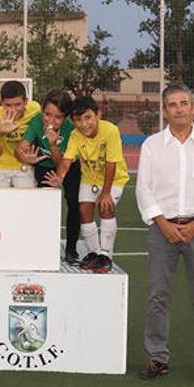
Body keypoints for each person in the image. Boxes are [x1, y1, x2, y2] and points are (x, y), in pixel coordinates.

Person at [134, 83, 194, 384]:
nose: (179, 109)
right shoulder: (151, 146)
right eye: (173, 104)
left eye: (184, 103)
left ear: (193, 107)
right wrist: (163, 224)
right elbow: (144, 189)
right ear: (165, 110)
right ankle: (158, 358)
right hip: (162, 230)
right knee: (158, 296)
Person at [44, 96, 129, 274]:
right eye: (78, 119)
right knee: (83, 210)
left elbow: (111, 163)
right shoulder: (75, 136)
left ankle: (106, 256)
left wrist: (106, 193)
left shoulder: (110, 131)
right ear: (73, 121)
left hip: (114, 179)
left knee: (106, 207)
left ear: (98, 114)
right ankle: (94, 253)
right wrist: (59, 177)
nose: (84, 124)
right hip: (90, 179)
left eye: (88, 117)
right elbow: (67, 160)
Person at [18, 89, 81, 264]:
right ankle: (42, 246)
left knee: (74, 203)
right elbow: (20, 148)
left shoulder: (70, 130)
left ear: (66, 117)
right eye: (47, 114)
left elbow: (62, 164)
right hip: (44, 164)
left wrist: (53, 145)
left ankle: (71, 249)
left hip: (68, 166)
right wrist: (24, 156)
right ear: (42, 112)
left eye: (57, 117)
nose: (51, 121)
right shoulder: (37, 122)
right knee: (43, 206)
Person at [0, 81, 41, 188]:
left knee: (26, 200)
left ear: (26, 102)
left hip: (23, 163)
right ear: (2, 103)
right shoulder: (0, 114)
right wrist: (1, 131)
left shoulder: (35, 109)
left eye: (18, 104)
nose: (13, 110)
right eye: (8, 105)